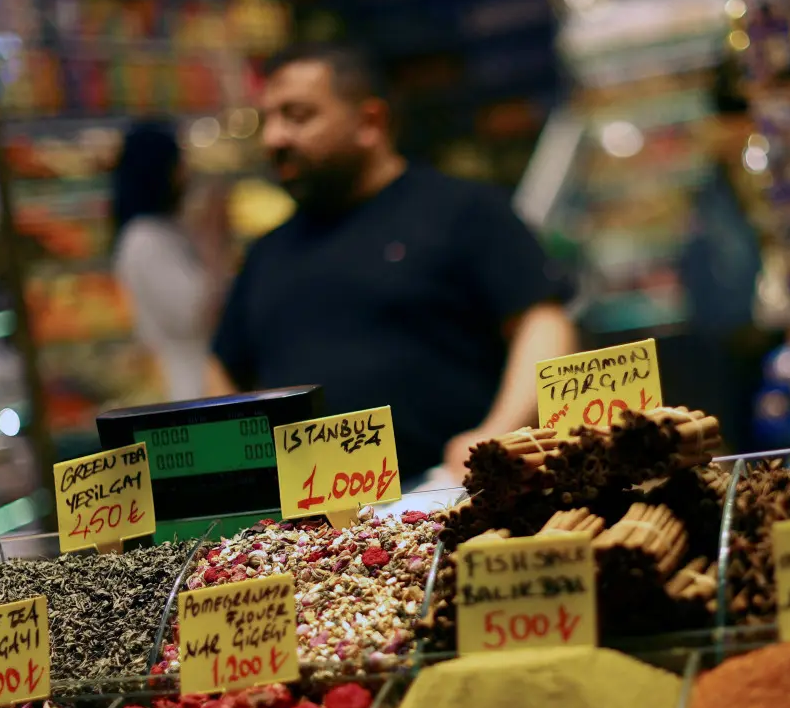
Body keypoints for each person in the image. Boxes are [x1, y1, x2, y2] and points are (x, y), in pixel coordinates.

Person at [208, 42, 577, 487]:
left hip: (450, 495)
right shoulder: (267, 251)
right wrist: (236, 477)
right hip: (307, 523)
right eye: (266, 121)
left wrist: (496, 433)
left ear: (370, 122)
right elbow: (225, 369)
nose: (274, 139)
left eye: (298, 116)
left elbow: (542, 323)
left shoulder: (463, 209)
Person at [112, 122, 223, 402]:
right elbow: (196, 314)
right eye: (180, 163)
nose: (187, 173)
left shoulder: (165, 231)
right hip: (186, 390)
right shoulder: (144, 240)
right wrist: (214, 243)